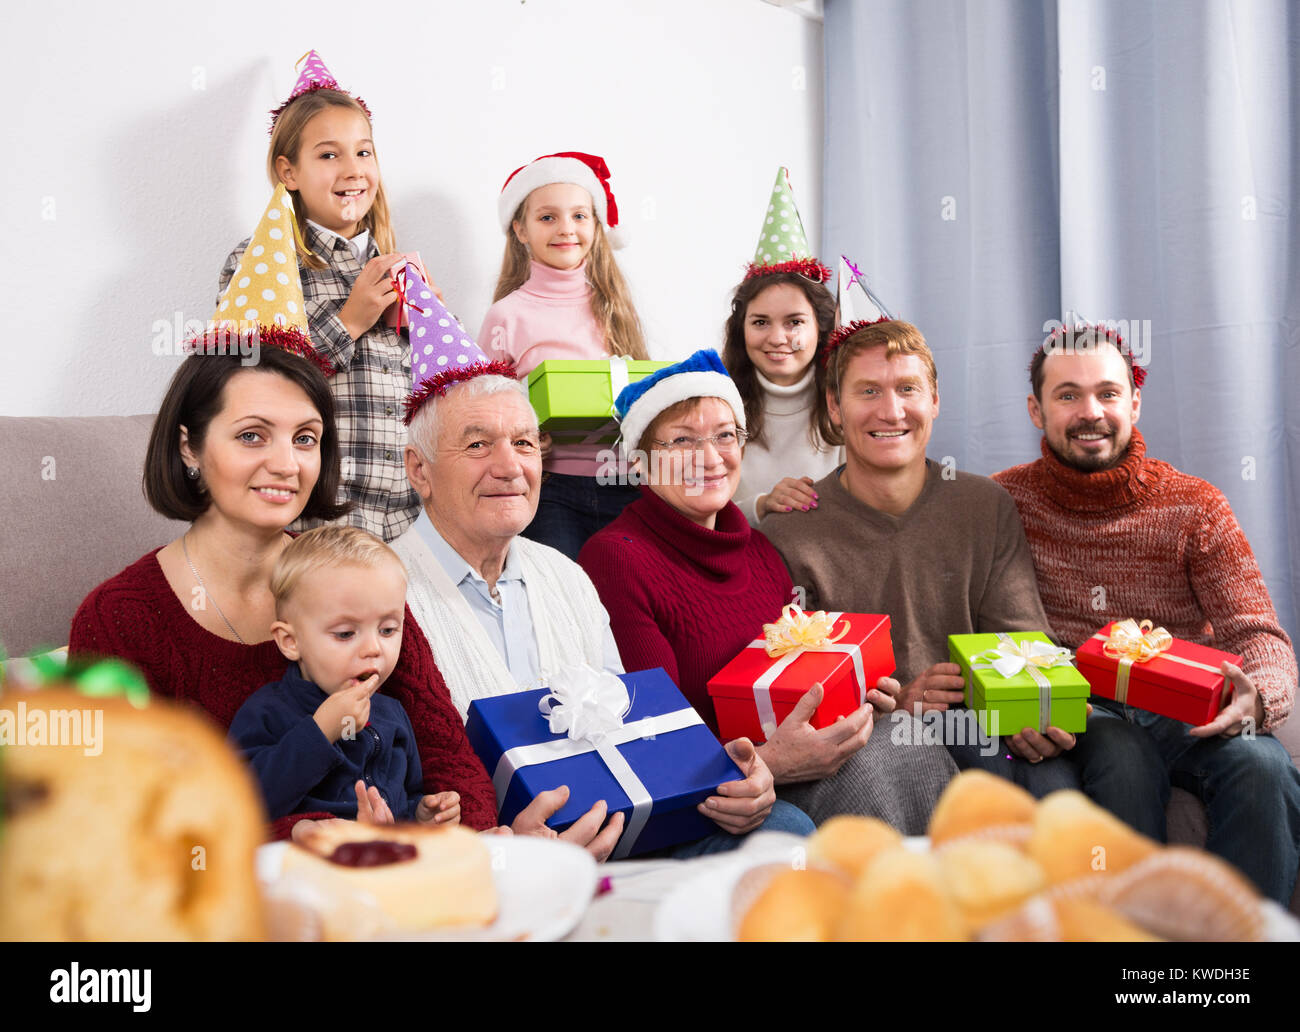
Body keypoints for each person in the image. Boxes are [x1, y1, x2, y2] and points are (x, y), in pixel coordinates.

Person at [393, 302, 810, 857]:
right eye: (476, 445)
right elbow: (379, 788)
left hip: (619, 836)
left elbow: (634, 733)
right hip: (478, 866)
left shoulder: (564, 575)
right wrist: (506, 848)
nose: (510, 466)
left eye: (523, 442)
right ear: (418, 470)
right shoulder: (381, 588)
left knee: (784, 834)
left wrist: (743, 780)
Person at [69, 340, 499, 838]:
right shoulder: (118, 619)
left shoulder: (353, 576)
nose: (287, 464)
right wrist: (305, 835)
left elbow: (449, 756)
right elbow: (130, 821)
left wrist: (471, 833)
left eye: (305, 438)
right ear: (189, 446)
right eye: (252, 436)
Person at [577, 350, 956, 834]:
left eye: (724, 436)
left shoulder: (758, 548)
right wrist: (771, 761)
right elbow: (654, 743)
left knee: (908, 739)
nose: (710, 459)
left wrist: (852, 694)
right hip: (722, 789)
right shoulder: (616, 559)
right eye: (682, 441)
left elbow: (787, 677)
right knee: (873, 767)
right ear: (640, 460)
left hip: (792, 759)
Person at [992, 322, 1300, 903]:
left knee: (1263, 767)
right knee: (1123, 760)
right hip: (1084, 708)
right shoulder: (1003, 502)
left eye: (1108, 393)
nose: (1091, 412)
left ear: (1133, 401)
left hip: (1187, 706)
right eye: (1067, 395)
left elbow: (1259, 633)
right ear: (1036, 409)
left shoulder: (1196, 506)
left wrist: (1259, 695)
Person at [762, 319, 1079, 798]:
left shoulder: (984, 504)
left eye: (907, 389)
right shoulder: (790, 530)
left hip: (985, 720)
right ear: (834, 407)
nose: (891, 411)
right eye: (868, 391)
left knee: (1053, 782)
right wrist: (900, 701)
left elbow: (1022, 641)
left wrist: (1037, 708)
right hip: (883, 741)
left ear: (934, 401)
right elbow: (797, 694)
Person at [218, 52, 419, 541]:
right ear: (289, 172)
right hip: (317, 521)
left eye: (363, 152)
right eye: (329, 155)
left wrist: (427, 322)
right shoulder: (262, 264)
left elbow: (440, 391)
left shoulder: (398, 267)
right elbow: (245, 382)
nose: (353, 170)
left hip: (414, 522)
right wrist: (349, 321)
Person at [477, 151, 649, 559]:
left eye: (579, 216)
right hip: (551, 491)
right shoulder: (507, 315)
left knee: (621, 601)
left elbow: (642, 399)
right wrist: (525, 436)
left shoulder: (616, 307)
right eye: (547, 217)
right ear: (520, 228)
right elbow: (483, 411)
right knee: (557, 605)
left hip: (624, 485)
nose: (566, 229)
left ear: (596, 224)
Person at [228, 526, 462, 827]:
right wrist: (320, 731)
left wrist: (421, 814)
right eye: (345, 633)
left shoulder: (392, 713)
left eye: (388, 630)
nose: (373, 648)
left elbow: (405, 795)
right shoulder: (267, 712)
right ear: (290, 641)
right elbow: (242, 805)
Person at [722, 168, 844, 525]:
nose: (777, 338)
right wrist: (760, 505)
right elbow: (700, 512)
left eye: (794, 322)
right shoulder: (720, 410)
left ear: (820, 328)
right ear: (741, 329)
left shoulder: (847, 408)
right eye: (760, 322)